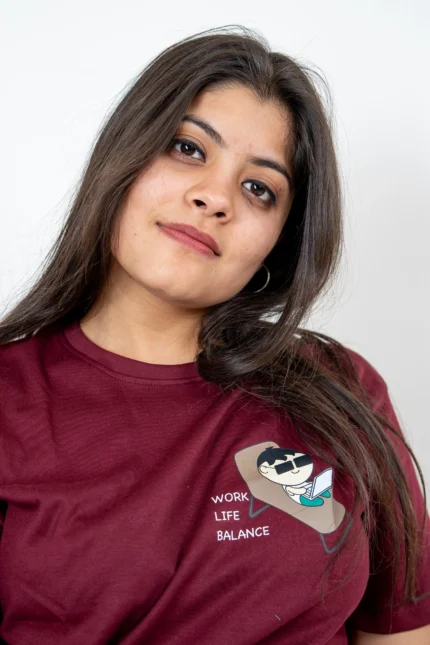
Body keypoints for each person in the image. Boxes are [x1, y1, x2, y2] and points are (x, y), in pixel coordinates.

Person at [0, 24, 428, 645]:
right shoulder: (11, 396)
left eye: (259, 188)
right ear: (124, 156)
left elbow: (400, 628)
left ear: (279, 242)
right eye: (188, 148)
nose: (215, 198)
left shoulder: (342, 389)